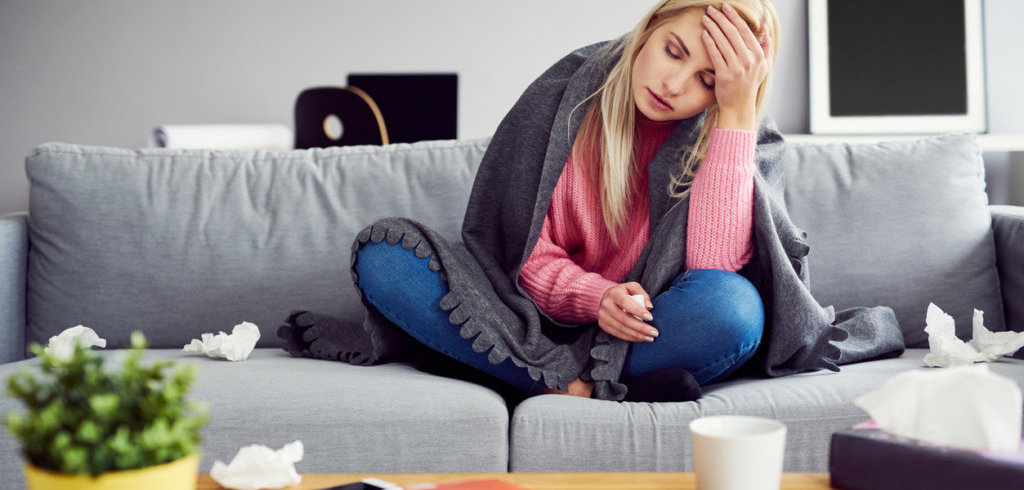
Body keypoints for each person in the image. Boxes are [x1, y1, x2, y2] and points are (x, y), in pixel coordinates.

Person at [280, 0, 904, 402]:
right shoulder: (565, 93)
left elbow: (712, 265)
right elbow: (519, 250)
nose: (673, 84)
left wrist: (735, 116)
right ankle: (578, 384)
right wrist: (595, 297)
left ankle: (504, 371)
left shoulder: (740, 137)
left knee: (733, 309)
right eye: (675, 52)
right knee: (386, 250)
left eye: (708, 82)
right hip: (521, 310)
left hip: (649, 327)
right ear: (655, 23)